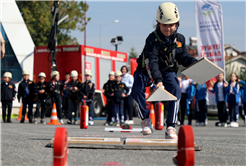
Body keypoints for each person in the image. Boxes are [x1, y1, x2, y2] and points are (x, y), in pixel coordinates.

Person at [130, 2, 197, 138]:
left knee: (176, 90)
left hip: (167, 70)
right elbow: (152, 61)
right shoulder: (152, 39)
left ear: (177, 24)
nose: (168, 28)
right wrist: (157, 80)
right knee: (136, 90)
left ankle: (171, 126)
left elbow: (183, 56)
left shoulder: (180, 39)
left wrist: (196, 64)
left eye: (171, 25)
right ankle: (145, 119)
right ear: (158, 23)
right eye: (164, 25)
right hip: (146, 70)